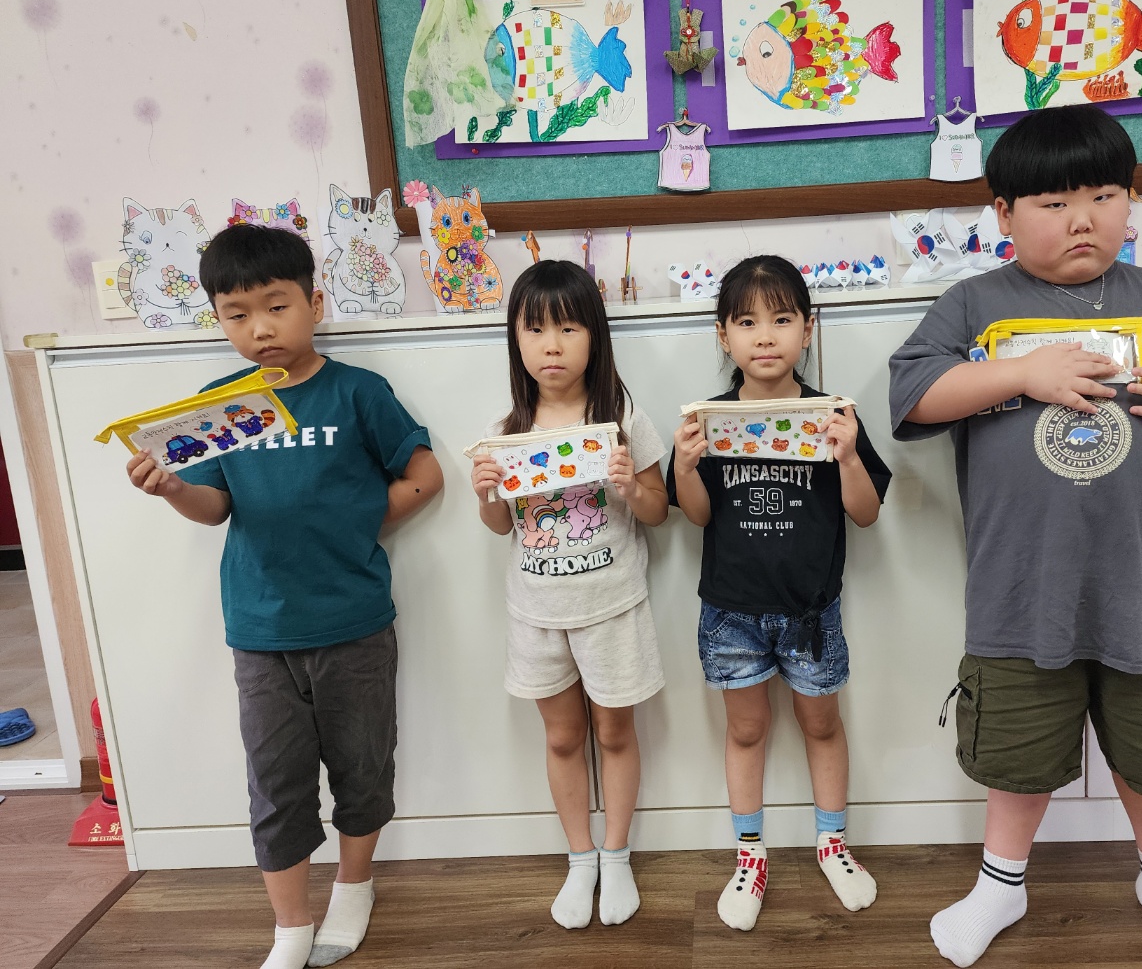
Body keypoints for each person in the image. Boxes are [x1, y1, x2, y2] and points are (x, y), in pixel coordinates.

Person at [887, 104, 1142, 968]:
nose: (1082, 219)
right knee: (1017, 747)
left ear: (1132, 202)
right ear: (1003, 213)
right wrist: (1021, 372)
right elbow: (913, 395)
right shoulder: (974, 304)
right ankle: (1000, 885)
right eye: (1053, 202)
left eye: (1102, 195)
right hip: (1023, 587)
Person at [124, 225, 443, 969]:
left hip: (355, 624)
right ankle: (290, 927)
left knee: (364, 768)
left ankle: (355, 887)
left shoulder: (358, 391)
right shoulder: (217, 404)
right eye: (237, 314)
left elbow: (425, 476)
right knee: (276, 786)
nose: (260, 328)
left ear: (314, 304)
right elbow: (214, 507)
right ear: (219, 319)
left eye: (276, 306)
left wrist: (355, 525)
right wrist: (169, 488)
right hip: (261, 633)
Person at [669, 256, 890, 931]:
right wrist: (685, 465)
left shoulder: (833, 415)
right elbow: (697, 516)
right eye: (746, 321)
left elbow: (866, 513)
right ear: (723, 335)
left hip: (812, 612)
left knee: (821, 723)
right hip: (731, 612)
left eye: (782, 319)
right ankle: (749, 853)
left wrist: (847, 455)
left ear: (808, 329)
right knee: (746, 730)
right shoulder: (707, 421)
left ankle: (832, 843)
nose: (765, 336)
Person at [470, 260, 669, 930]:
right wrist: (485, 495)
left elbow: (658, 511)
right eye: (534, 330)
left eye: (568, 328)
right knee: (561, 739)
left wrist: (629, 487)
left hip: (612, 606)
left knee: (615, 731)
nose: (550, 346)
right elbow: (501, 526)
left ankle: (617, 854)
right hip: (536, 613)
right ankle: (580, 857)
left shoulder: (622, 417)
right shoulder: (507, 429)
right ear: (516, 340)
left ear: (594, 336)